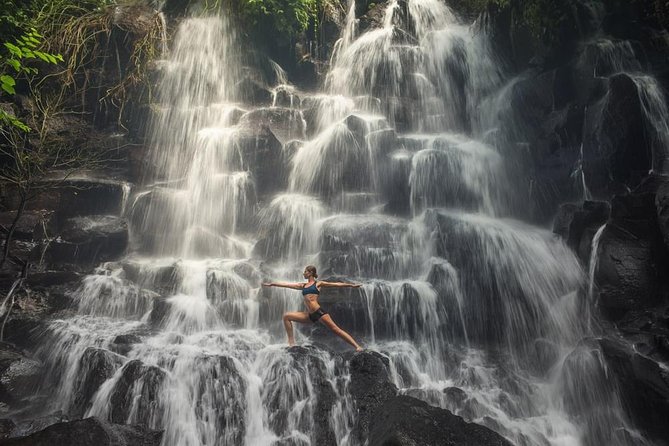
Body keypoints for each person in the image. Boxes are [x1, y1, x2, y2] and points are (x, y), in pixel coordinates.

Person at [262, 265, 363, 351]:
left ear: (310, 273)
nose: (303, 274)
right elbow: (287, 285)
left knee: (336, 329)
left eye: (305, 272)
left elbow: (336, 284)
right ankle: (291, 343)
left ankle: (357, 346)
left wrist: (351, 285)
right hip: (310, 315)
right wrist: (273, 284)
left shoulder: (318, 284)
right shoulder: (303, 285)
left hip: (319, 312)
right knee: (286, 316)